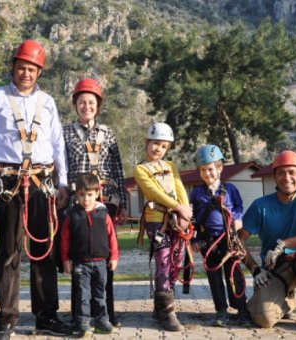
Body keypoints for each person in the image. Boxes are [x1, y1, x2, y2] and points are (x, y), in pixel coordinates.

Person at [0, 40, 70, 339]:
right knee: (9, 251)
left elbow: (58, 144)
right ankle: (7, 319)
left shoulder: (49, 102)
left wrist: (64, 181)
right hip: (8, 182)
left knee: (44, 249)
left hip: (43, 182)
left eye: (31, 69)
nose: (25, 73)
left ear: (38, 71)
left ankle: (46, 316)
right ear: (13, 67)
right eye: (21, 67)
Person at [239, 150, 296, 331]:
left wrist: (283, 244)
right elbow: (238, 241)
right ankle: (288, 300)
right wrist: (255, 270)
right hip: (276, 268)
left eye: (292, 172)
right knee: (263, 319)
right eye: (281, 172)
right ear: (274, 176)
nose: (286, 177)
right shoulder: (260, 206)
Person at [63, 77, 127, 327]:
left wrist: (121, 202)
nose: (86, 106)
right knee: (80, 259)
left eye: (91, 102)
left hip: (104, 203)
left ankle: (106, 314)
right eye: (81, 102)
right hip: (77, 202)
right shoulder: (66, 132)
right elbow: (62, 165)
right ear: (75, 105)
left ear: (98, 105)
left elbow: (118, 169)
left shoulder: (108, 133)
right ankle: (79, 316)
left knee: (103, 258)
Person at [133, 122, 193, 332]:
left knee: (176, 261)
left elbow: (179, 188)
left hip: (177, 219)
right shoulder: (140, 169)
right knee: (163, 261)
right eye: (155, 144)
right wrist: (177, 207)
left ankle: (162, 306)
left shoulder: (171, 166)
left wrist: (185, 211)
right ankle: (168, 311)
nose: (158, 149)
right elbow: (153, 192)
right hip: (156, 220)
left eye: (163, 146)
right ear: (147, 142)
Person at [190, 145, 252, 327]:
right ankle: (221, 311)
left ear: (219, 168)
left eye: (210, 169)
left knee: (235, 275)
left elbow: (239, 207)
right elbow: (193, 219)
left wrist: (238, 220)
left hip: (229, 240)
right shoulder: (196, 193)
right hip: (207, 242)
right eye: (202, 170)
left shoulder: (230, 189)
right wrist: (193, 240)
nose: (206, 174)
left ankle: (241, 309)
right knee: (214, 277)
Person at [61, 173, 120, 337]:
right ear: (76, 195)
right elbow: (65, 239)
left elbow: (112, 237)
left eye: (90, 195)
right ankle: (83, 324)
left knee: (100, 295)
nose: (86, 199)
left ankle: (102, 321)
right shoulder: (72, 215)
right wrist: (66, 260)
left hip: (101, 263)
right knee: (83, 296)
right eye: (81, 195)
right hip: (80, 263)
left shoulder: (103, 213)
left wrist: (114, 256)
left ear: (97, 193)